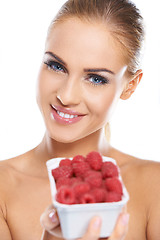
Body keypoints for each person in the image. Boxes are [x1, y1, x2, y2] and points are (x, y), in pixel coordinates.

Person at [0, 0, 160, 239]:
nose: (66, 96)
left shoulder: (154, 186)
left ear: (130, 86)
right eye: (56, 66)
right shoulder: (3, 189)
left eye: (96, 78)